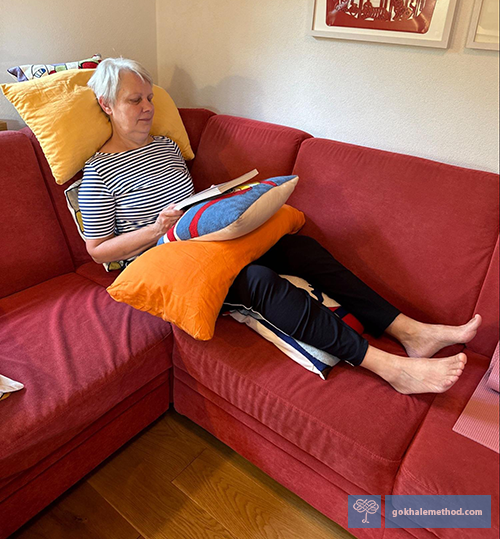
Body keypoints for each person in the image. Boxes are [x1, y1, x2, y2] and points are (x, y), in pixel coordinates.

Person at [79, 58, 481, 395]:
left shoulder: (165, 147)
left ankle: (410, 331)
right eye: (135, 100)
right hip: (167, 265)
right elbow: (97, 251)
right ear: (106, 105)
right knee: (257, 278)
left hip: (205, 242)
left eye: (150, 98)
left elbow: (189, 204)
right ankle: (389, 368)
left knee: (301, 249)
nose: (147, 107)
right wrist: (155, 229)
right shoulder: (98, 173)